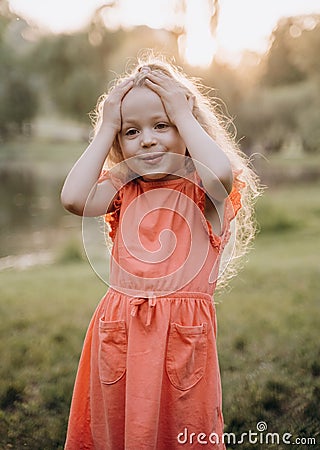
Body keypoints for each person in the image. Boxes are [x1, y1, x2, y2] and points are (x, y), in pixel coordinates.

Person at [61, 53, 260, 449]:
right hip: (118, 337)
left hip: (181, 349)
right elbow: (73, 198)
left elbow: (220, 172)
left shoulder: (204, 194)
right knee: (116, 430)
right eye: (131, 132)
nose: (148, 138)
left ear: (187, 128)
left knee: (180, 431)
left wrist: (184, 114)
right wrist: (106, 128)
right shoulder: (124, 189)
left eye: (161, 124)